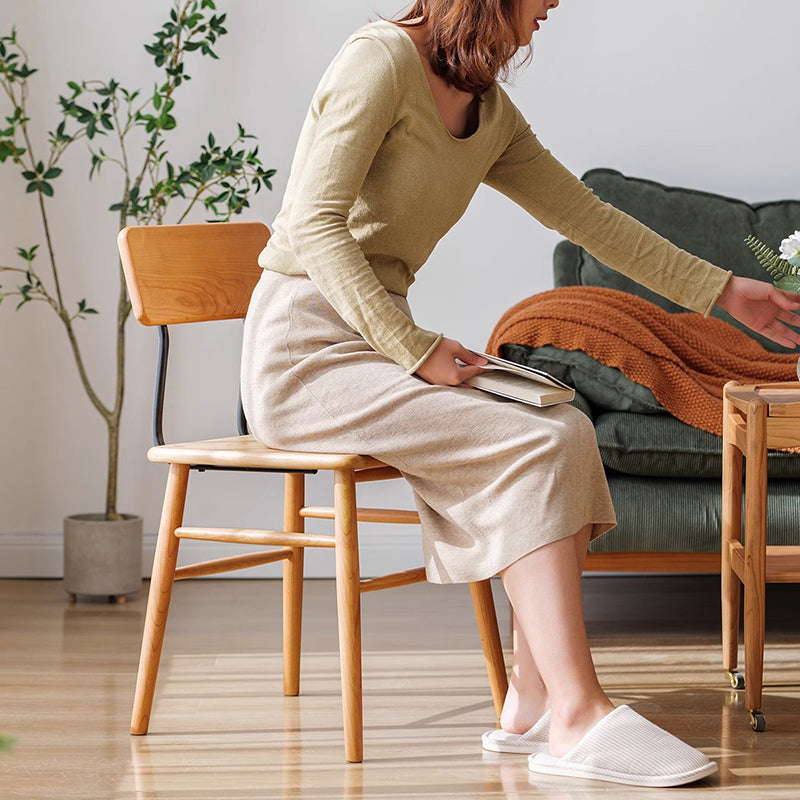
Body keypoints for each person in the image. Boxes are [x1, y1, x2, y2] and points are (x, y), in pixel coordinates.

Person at [241, 0, 800, 787]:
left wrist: (721, 291)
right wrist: (413, 348)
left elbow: (592, 220)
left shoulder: (491, 113)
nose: (556, 5)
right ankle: (578, 716)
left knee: (563, 424)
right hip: (306, 353)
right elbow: (315, 225)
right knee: (535, 438)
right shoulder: (378, 62)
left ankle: (533, 702)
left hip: (384, 344)